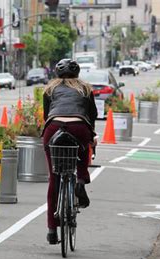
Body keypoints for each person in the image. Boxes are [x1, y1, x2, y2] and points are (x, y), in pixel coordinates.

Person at [42, 59, 98, 245]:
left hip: (54, 127)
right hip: (79, 125)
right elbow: (92, 115)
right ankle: (80, 181)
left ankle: (51, 230)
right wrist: (91, 135)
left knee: (54, 177)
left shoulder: (49, 89)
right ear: (77, 73)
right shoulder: (85, 89)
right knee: (81, 151)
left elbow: (46, 115)